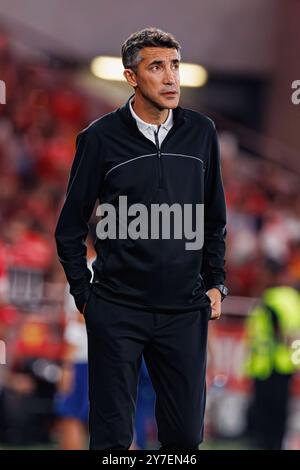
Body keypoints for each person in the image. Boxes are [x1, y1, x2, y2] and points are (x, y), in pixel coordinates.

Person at [55, 27, 228, 450]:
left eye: (175, 66)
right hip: (117, 309)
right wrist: (86, 298)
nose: (171, 78)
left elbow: (214, 218)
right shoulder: (99, 138)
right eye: (156, 67)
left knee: (184, 441)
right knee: (112, 440)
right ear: (131, 77)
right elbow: (70, 228)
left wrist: (215, 281)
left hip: (184, 311)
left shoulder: (202, 132)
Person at [245, 285, 300, 449]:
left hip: (264, 366)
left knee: (263, 412)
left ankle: (264, 442)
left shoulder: (269, 298)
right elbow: (290, 336)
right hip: (281, 366)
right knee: (278, 412)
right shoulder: (291, 301)